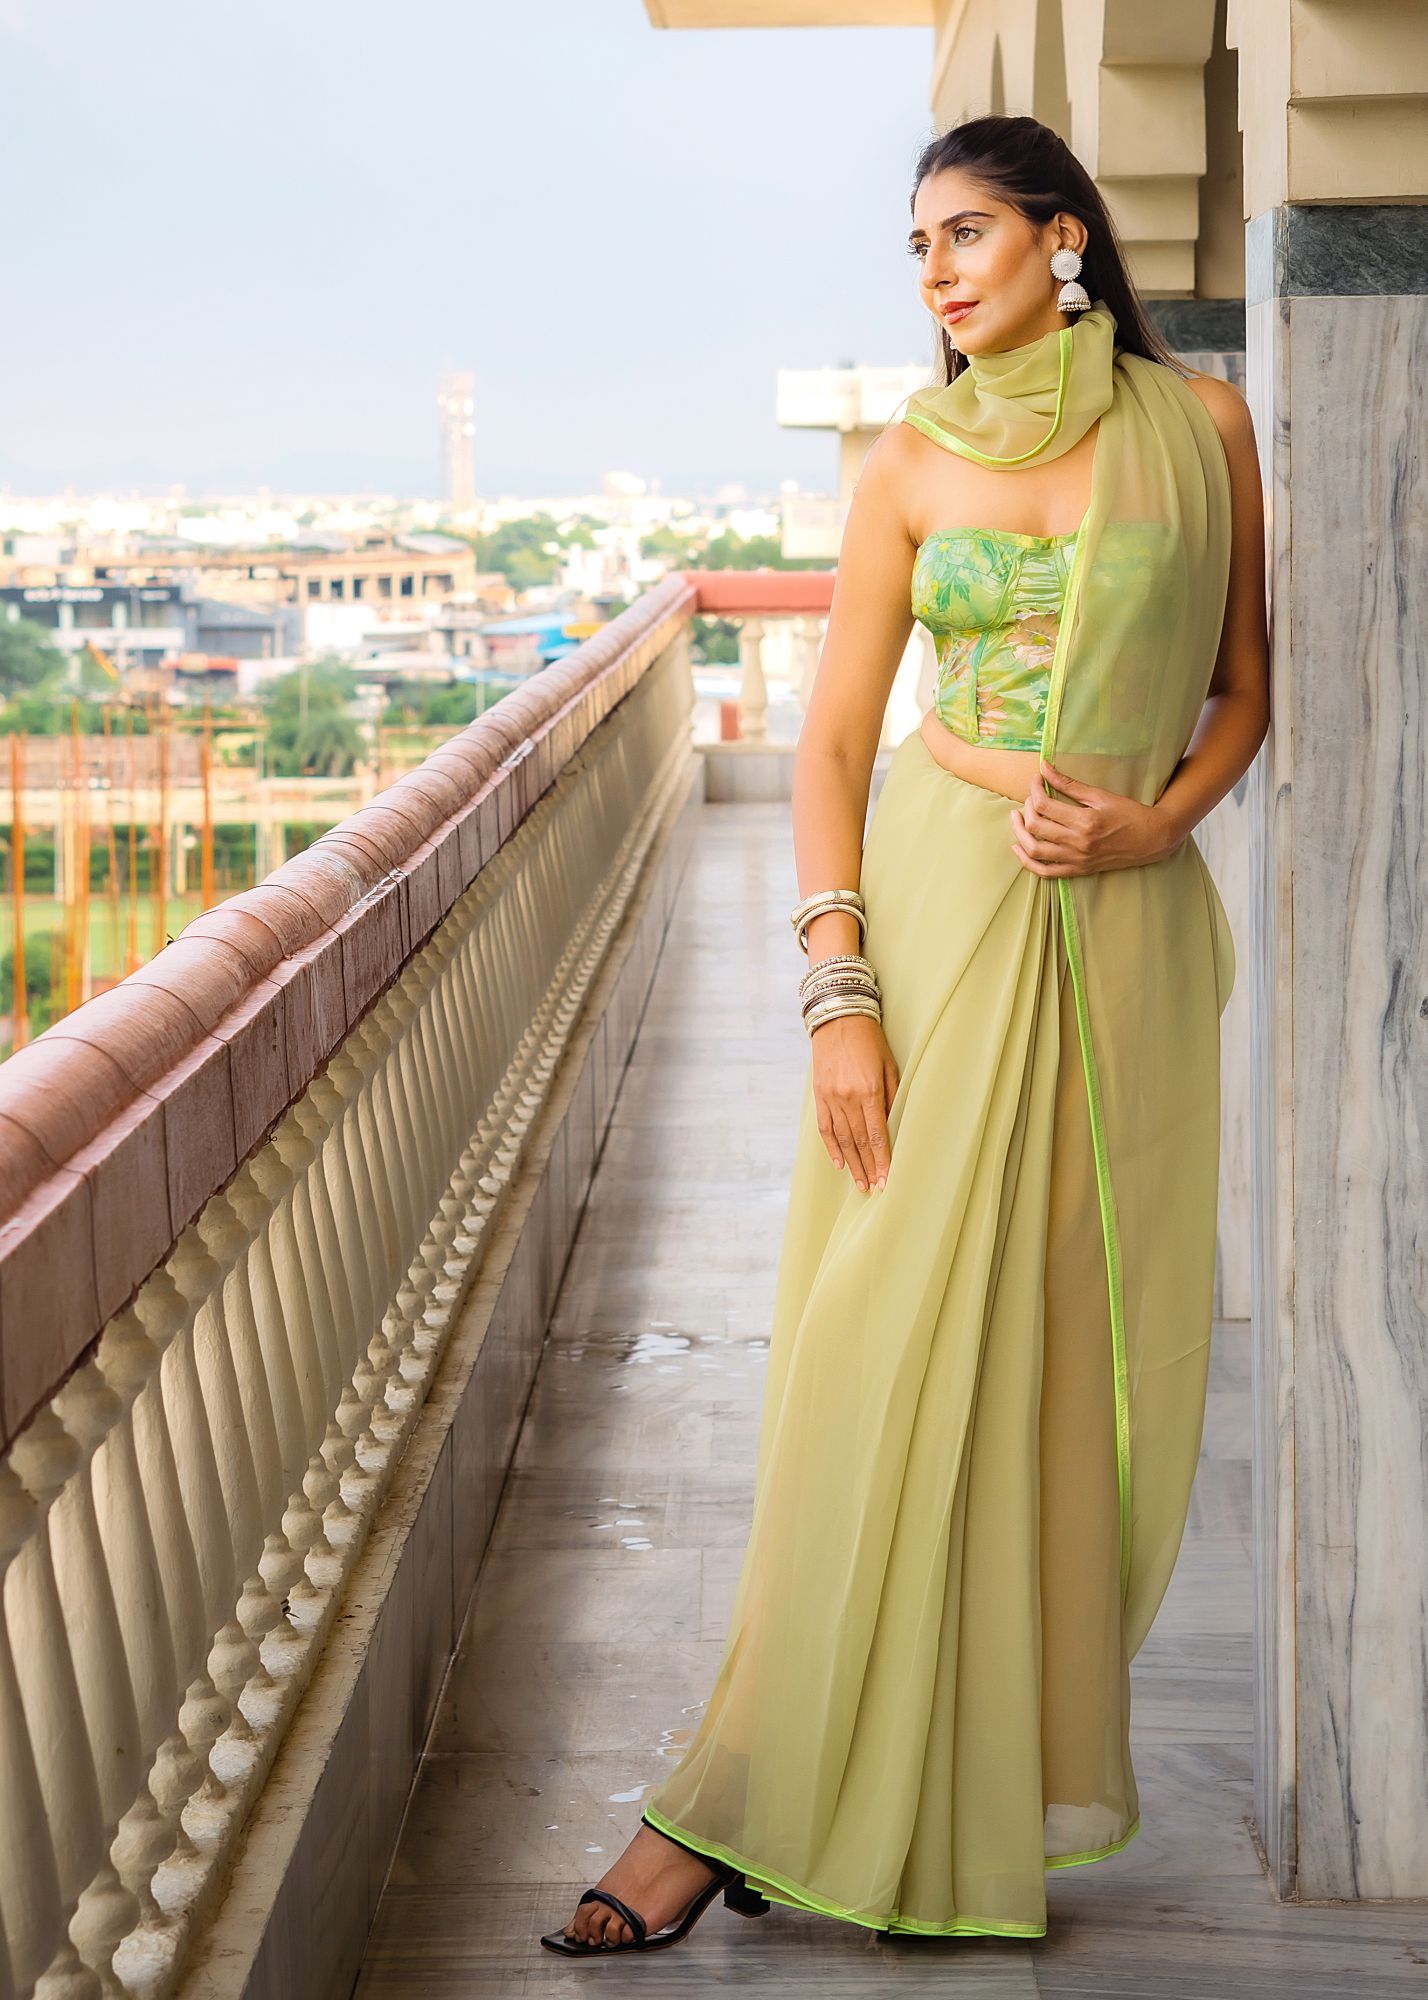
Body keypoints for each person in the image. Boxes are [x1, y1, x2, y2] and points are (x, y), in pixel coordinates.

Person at [541, 111, 1269, 1958]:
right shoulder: (904, 463)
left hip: (1120, 926)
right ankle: (727, 1802)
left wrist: (1151, 824)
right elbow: (838, 743)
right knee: (869, 1349)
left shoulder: (1204, 436)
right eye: (916, 245)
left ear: (1064, 240)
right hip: (937, 909)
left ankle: (952, 1805)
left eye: (966, 234)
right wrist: (837, 992)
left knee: (1037, 1363)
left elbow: (1248, 690)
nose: (936, 271)